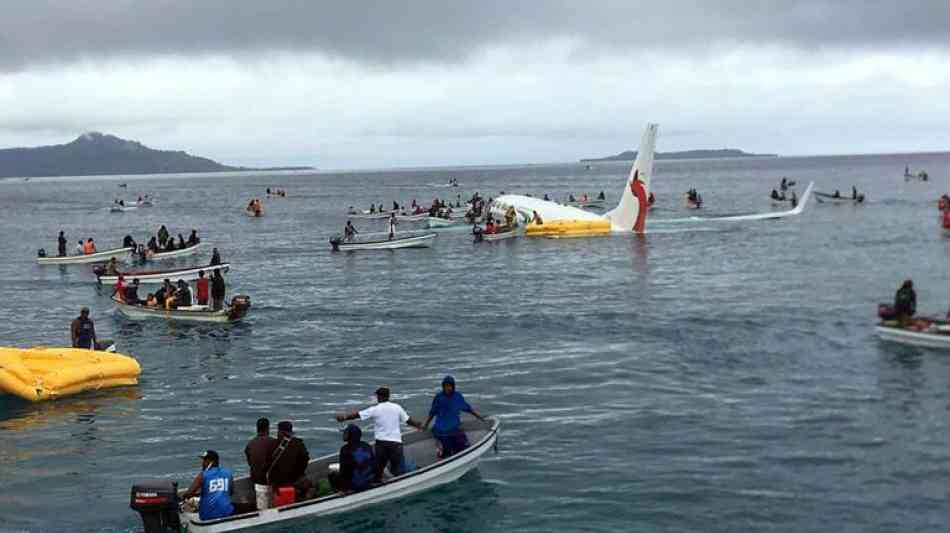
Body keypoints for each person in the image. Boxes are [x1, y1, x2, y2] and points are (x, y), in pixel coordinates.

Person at [336, 387, 424, 483]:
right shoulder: (397, 407)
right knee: (398, 469)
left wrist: (344, 417)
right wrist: (418, 425)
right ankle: (400, 484)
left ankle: (377, 484)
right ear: (388, 396)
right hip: (396, 443)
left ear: (379, 397)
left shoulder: (376, 409)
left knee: (378, 468)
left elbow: (358, 415)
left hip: (381, 444)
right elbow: (408, 421)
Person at [423, 376, 487, 458]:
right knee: (447, 453)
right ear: (443, 387)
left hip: (454, 429)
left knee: (464, 448)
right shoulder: (438, 398)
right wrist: (426, 425)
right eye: (445, 386)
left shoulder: (458, 396)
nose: (448, 388)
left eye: (450, 386)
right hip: (441, 431)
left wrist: (480, 417)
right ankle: (442, 453)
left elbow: (468, 409)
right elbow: (432, 413)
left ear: (453, 386)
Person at [181, 450, 235, 521]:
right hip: (227, 513)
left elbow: (189, 493)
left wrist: (183, 497)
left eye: (205, 461)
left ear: (211, 462)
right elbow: (230, 492)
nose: (203, 463)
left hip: (208, 516)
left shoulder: (203, 475)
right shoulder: (228, 473)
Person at [267, 421, 313, 501]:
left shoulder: (272, 444)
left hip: (277, 482)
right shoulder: (298, 443)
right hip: (295, 479)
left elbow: (268, 463)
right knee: (311, 487)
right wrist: (298, 473)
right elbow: (305, 459)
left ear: (280, 432)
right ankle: (304, 500)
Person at [245, 417, 278, 510]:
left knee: (262, 507)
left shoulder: (250, 444)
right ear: (268, 428)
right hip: (270, 481)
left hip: (256, 480)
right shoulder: (274, 442)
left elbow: (250, 462)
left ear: (257, 429)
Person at [338, 425, 375, 494]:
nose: (343, 435)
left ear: (350, 436)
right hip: (370, 481)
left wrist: (343, 489)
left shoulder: (345, 449)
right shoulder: (366, 445)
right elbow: (374, 463)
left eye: (345, 433)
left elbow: (344, 471)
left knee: (332, 475)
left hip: (356, 486)